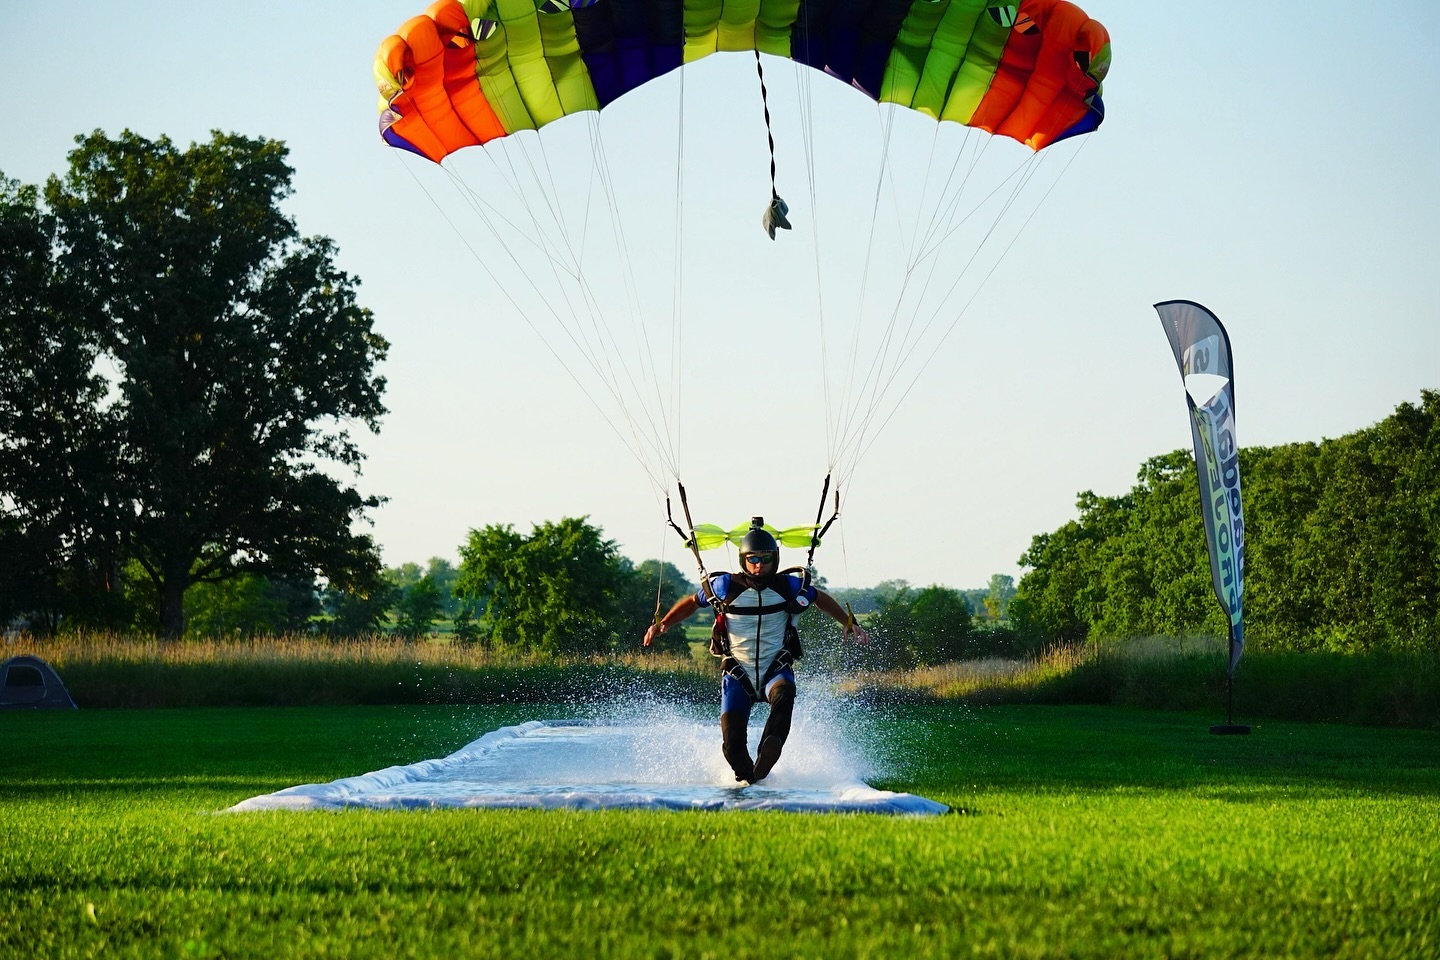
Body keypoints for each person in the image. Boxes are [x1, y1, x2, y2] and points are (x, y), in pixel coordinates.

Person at [643, 518, 870, 784]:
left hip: (776, 667)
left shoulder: (788, 586)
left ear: (775, 559)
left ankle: (769, 750)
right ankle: (752, 780)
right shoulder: (725, 587)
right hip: (738, 673)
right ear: (743, 560)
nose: (759, 566)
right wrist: (665, 623)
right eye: (753, 559)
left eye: (765, 559)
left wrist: (847, 621)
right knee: (732, 746)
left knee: (785, 694)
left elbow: (819, 597)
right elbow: (693, 602)